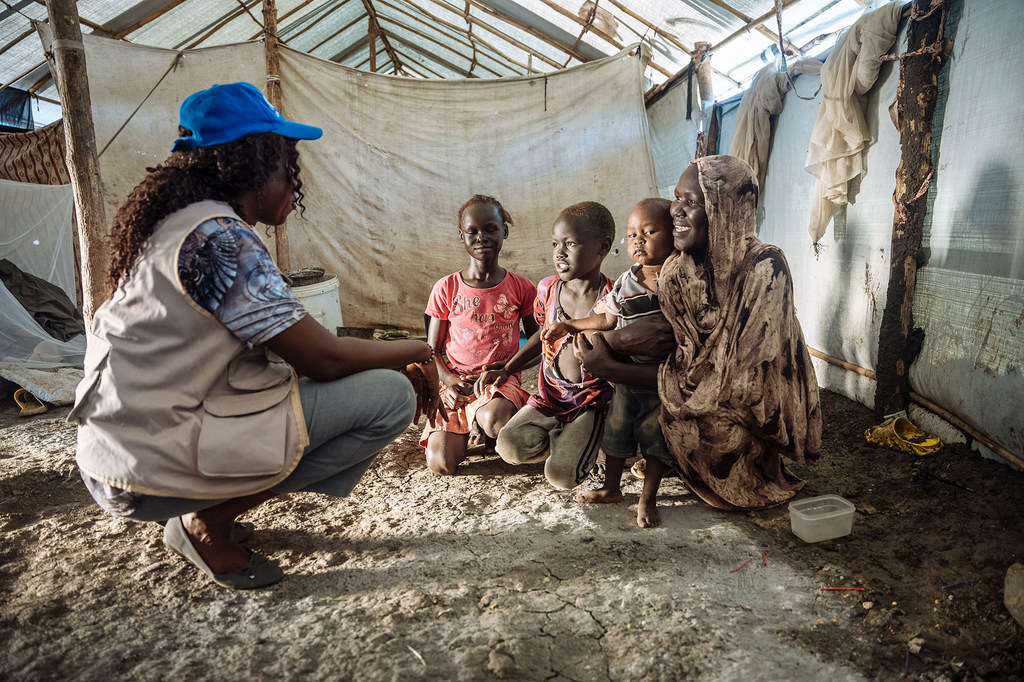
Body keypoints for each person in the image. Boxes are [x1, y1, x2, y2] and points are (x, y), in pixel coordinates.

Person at [69, 82, 444, 590]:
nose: (295, 181)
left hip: (117, 453)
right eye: (287, 162)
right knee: (389, 397)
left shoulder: (173, 224)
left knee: (316, 390)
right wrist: (421, 349)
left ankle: (202, 509)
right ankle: (206, 522)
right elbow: (326, 361)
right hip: (142, 472)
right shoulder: (222, 239)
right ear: (256, 160)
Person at [576, 155, 821, 511]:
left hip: (750, 404)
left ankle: (752, 469)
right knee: (658, 413)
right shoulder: (679, 269)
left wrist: (614, 369)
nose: (676, 210)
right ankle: (674, 463)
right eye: (677, 198)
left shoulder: (765, 267)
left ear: (725, 208)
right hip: (694, 384)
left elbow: (738, 381)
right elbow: (682, 353)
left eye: (692, 202)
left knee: (715, 430)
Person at [542, 198, 676, 527]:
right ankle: (611, 488)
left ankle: (648, 499)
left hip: (660, 382)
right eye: (632, 235)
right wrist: (570, 325)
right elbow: (606, 319)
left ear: (674, 236)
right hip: (625, 381)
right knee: (616, 434)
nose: (639, 240)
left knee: (655, 438)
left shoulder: (678, 280)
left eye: (650, 232)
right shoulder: (626, 283)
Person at [479, 201, 615, 489]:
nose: (559, 253)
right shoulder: (548, 289)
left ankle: (589, 440)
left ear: (602, 248)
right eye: (555, 243)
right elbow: (543, 335)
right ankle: (572, 442)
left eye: (571, 244)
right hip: (552, 397)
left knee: (562, 477)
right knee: (509, 446)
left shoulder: (613, 297)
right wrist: (507, 368)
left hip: (592, 401)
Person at [421, 195, 539, 475]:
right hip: (456, 384)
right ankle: (472, 423)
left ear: (505, 232)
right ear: (461, 236)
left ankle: (485, 424)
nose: (481, 237)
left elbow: (538, 343)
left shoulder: (521, 288)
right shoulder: (446, 288)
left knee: (495, 421)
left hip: (499, 380)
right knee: (441, 464)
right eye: (472, 231)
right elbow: (430, 350)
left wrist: (508, 369)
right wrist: (447, 381)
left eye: (490, 229)